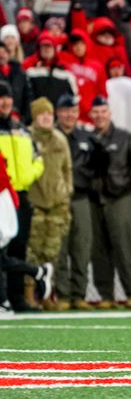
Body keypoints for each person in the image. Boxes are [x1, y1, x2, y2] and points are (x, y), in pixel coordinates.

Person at [89, 96, 131, 309]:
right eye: (95, 112)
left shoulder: (127, 137)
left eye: (103, 111)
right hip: (95, 199)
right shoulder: (87, 139)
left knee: (124, 247)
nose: (99, 116)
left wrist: (122, 182)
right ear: (90, 115)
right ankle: (106, 295)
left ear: (109, 113)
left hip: (120, 198)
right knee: (99, 250)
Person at [0, 81, 44, 311]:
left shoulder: (21, 129)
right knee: (1, 252)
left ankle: (17, 298)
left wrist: (27, 177)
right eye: (1, 98)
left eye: (7, 97)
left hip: (21, 196)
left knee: (18, 247)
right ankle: (3, 298)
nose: (5, 102)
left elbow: (38, 160)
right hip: (1, 195)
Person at [26, 98, 72, 310]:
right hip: (34, 202)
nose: (46, 117)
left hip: (57, 204)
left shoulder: (60, 139)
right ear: (34, 116)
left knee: (52, 252)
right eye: (41, 114)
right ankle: (29, 294)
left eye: (49, 114)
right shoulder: (26, 137)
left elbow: (67, 170)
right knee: (32, 251)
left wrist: (66, 193)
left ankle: (46, 294)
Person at [54, 95, 97, 310]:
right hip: (58, 200)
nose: (69, 115)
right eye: (65, 110)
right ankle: (62, 295)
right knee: (59, 249)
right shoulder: (51, 136)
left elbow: (97, 165)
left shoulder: (87, 137)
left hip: (81, 197)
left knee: (82, 248)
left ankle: (79, 294)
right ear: (58, 113)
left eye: (72, 110)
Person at [0, 153, 53, 316]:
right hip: (5, 199)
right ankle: (37, 272)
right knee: (1, 258)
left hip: (2, 201)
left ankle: (4, 302)